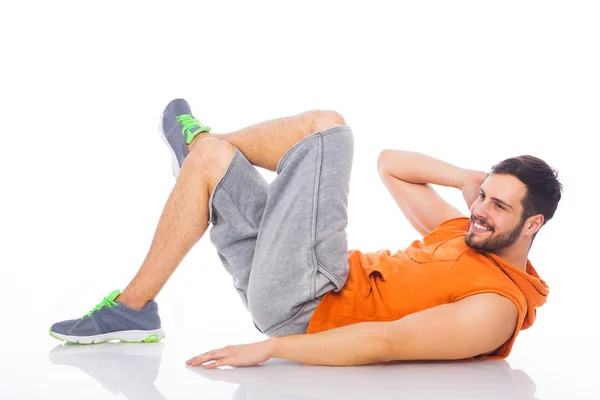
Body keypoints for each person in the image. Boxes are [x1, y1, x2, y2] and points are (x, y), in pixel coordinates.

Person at [49, 100, 562, 368]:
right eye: (484, 198)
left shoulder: (496, 306)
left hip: (310, 301)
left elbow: (386, 342)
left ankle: (201, 145)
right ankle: (133, 308)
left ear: (533, 224)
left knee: (328, 127)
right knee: (211, 162)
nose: (480, 212)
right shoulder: (464, 231)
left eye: (498, 206)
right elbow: (392, 166)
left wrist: (273, 350)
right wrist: (466, 180)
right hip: (282, 275)